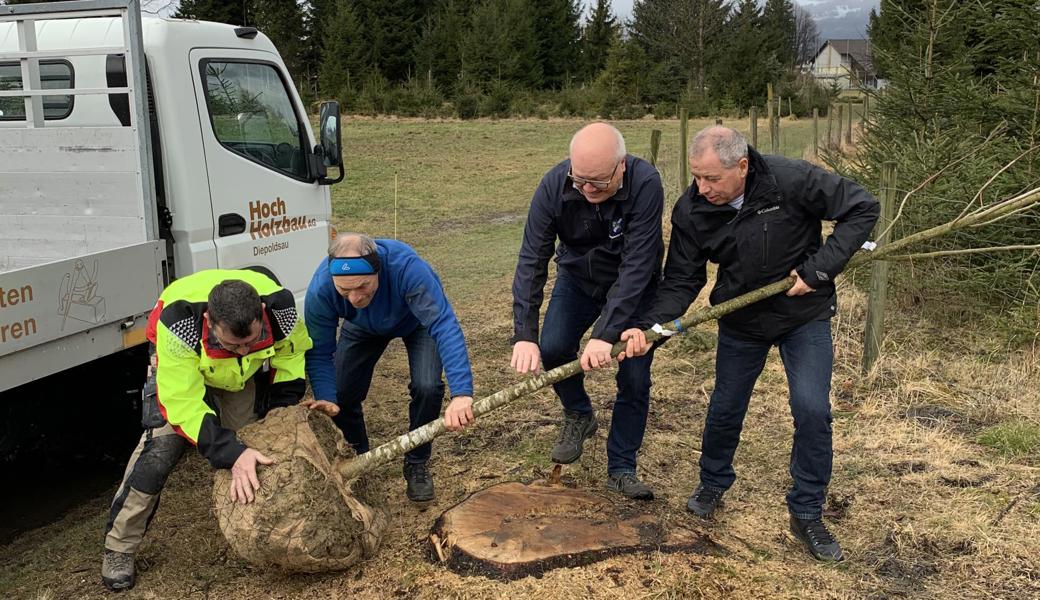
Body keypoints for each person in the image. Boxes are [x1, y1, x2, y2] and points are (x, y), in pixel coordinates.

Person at [621, 126, 879, 561]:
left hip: (804, 316)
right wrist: (649, 328)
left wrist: (819, 270)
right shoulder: (692, 210)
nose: (702, 189)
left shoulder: (791, 179)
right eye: (696, 177)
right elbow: (683, 279)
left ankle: (807, 511)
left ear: (741, 166)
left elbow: (862, 208)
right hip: (741, 319)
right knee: (725, 407)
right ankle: (713, 481)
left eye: (712, 179)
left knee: (813, 410)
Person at [101, 269, 327, 591]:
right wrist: (227, 451)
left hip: (236, 379)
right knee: (159, 452)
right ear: (209, 321)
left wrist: (281, 411)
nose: (245, 351)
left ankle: (254, 527)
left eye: (251, 341)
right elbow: (182, 403)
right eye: (234, 344)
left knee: (253, 445)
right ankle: (119, 546)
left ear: (260, 315)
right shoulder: (178, 324)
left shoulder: (281, 310)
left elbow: (291, 356)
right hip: (183, 375)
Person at [511, 122, 664, 499]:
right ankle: (579, 413)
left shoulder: (646, 184)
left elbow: (638, 265)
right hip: (578, 278)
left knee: (634, 375)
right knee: (553, 347)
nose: (587, 190)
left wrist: (605, 333)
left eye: (597, 181)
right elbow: (533, 259)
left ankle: (621, 466)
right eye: (580, 181)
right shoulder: (554, 185)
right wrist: (524, 334)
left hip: (635, 289)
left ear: (621, 167)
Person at [305, 234, 475, 503]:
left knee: (428, 387)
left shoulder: (408, 269)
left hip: (416, 321)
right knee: (340, 394)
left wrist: (462, 392)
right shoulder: (321, 288)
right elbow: (319, 350)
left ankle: (417, 462)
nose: (354, 298)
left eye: (362, 286)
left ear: (378, 270)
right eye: (344, 291)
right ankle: (360, 461)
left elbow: (443, 325)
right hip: (362, 327)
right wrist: (326, 394)